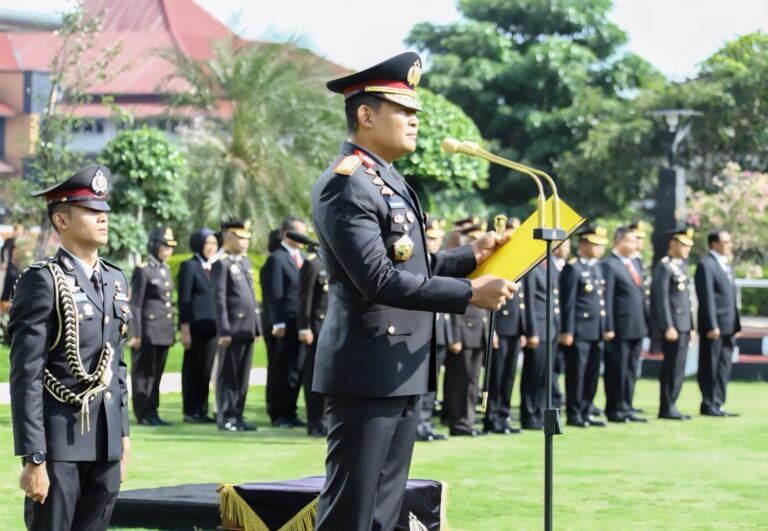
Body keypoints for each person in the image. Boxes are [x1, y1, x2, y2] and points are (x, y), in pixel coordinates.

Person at [312, 52, 515, 530]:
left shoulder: (388, 179)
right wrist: (468, 294)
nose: (414, 119)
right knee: (351, 513)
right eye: (403, 110)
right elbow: (379, 280)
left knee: (384, 513)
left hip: (401, 367)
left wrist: (472, 255)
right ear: (366, 115)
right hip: (367, 370)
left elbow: (417, 266)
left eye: (415, 111)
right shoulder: (348, 184)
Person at [9, 165, 130, 530]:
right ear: (61, 220)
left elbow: (117, 366)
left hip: (105, 442)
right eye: (91, 211)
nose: (103, 218)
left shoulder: (115, 279)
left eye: (104, 210)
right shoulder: (43, 280)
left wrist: (123, 437)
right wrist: (34, 457)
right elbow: (27, 375)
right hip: (59, 446)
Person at [212, 220, 263, 432]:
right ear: (229, 238)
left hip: (246, 327)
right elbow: (220, 299)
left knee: (242, 377)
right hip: (231, 329)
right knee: (228, 375)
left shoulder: (245, 262)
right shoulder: (221, 263)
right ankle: (226, 416)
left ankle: (237, 415)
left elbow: (252, 296)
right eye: (241, 238)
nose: (245, 243)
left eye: (247, 239)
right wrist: (224, 330)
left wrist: (257, 327)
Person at [261, 217, 309, 428]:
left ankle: (291, 411)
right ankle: (278, 413)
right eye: (299, 233)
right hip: (283, 324)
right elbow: (274, 294)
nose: (304, 237)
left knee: (296, 369)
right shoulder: (277, 259)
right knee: (280, 369)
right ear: (286, 234)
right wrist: (277, 322)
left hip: (299, 323)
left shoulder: (303, 258)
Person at [559, 226, 609, 428]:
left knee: (592, 374)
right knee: (577, 373)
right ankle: (574, 413)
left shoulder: (597, 268)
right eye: (596, 245)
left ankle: (587, 411)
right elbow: (568, 303)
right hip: (580, 331)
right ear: (584, 244)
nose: (600, 249)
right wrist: (567, 330)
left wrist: (605, 327)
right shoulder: (573, 268)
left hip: (596, 330)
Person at [445, 222, 491, 438]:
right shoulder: (459, 265)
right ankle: (459, 423)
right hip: (462, 331)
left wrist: (490, 331)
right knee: (460, 381)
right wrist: (453, 335)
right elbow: (451, 301)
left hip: (479, 329)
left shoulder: (485, 264)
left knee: (473, 380)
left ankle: (468, 421)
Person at [128, 227, 177, 426]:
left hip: (163, 331)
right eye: (165, 246)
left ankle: (153, 410)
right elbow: (135, 304)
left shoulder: (165, 270)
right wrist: (135, 333)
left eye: (171, 247)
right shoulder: (143, 270)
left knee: (156, 375)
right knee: (144, 374)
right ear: (155, 246)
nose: (168, 251)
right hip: (147, 331)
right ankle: (143, 412)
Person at [601, 226, 649, 423]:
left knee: (631, 369)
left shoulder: (635, 263)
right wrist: (608, 326)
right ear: (617, 242)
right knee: (617, 370)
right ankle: (615, 409)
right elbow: (608, 298)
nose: (633, 245)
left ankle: (627, 407)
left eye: (635, 241)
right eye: (629, 241)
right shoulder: (610, 264)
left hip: (636, 326)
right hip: (619, 328)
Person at [483, 216, 524, 435]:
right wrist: (492, 330)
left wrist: (524, 328)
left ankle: (503, 415)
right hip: (499, 326)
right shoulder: (495, 261)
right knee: (496, 375)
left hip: (515, 328)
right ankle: (492, 417)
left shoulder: (520, 260)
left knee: (509, 376)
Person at [695, 230, 741, 417]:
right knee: (710, 365)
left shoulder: (726, 264)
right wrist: (711, 324)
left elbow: (731, 297)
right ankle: (708, 403)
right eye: (726, 242)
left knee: (724, 365)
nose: (729, 245)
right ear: (714, 244)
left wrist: (736, 324)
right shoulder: (706, 264)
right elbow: (706, 297)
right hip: (714, 326)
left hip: (729, 325)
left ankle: (718, 402)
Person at [651, 227, 695, 420]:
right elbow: (662, 300)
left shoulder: (681, 266)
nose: (687, 249)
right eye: (683, 245)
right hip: (673, 327)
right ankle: (666, 407)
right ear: (673, 244)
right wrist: (668, 325)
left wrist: (691, 326)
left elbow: (687, 300)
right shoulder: (664, 266)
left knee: (679, 368)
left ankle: (673, 405)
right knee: (671, 368)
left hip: (683, 325)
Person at [178, 228, 219, 423]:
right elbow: (184, 299)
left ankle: (202, 409)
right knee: (193, 370)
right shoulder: (189, 266)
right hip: (195, 328)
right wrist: (185, 329)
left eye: (214, 243)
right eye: (208, 243)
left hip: (212, 328)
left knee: (206, 370)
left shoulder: (215, 267)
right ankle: (191, 410)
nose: (212, 247)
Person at [415, 218, 450, 442]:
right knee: (418, 382)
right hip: (421, 331)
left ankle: (426, 423)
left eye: (437, 239)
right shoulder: (415, 262)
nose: (434, 243)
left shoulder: (442, 263)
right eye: (430, 238)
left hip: (439, 329)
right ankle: (416, 425)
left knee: (432, 382)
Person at [520, 257, 558, 430]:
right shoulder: (532, 266)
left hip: (551, 328)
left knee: (544, 377)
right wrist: (531, 331)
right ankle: (529, 415)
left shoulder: (549, 264)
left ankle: (539, 413)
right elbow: (529, 300)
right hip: (539, 329)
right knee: (533, 376)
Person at [296, 234, 329, 437]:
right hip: (316, 328)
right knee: (315, 376)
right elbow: (304, 299)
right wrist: (304, 327)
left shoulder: (337, 263)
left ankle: (326, 420)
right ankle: (315, 422)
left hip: (333, 328)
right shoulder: (313, 264)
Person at [551, 238, 570, 409]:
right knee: (549, 366)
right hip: (549, 324)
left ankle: (556, 396)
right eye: (563, 244)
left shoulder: (568, 267)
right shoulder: (547, 266)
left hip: (562, 323)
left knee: (558, 364)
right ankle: (554, 397)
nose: (566, 248)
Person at [1, 223, 23, 310]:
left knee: (16, 285)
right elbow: (3, 250)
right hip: (10, 267)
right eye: (19, 230)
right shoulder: (10, 240)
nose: (20, 232)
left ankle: (13, 304)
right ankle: (3, 303)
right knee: (7, 284)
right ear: (15, 231)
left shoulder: (22, 241)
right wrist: (3, 262)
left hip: (19, 267)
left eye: (21, 230)